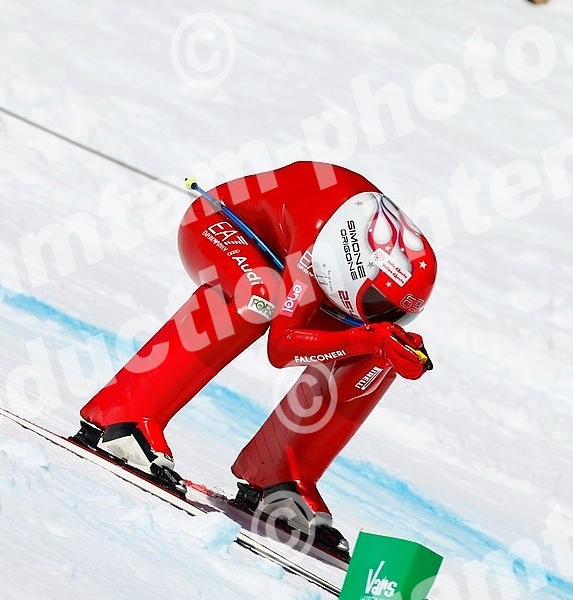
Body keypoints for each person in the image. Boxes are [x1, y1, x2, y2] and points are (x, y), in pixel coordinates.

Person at [75, 161, 437, 552]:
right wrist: (365, 337)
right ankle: (125, 415)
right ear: (355, 267)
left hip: (285, 256)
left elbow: (363, 333)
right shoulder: (320, 241)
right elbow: (280, 349)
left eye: (398, 312)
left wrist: (380, 341)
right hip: (218, 224)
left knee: (383, 350)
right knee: (261, 294)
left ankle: (279, 474)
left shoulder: (349, 253)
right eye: (378, 303)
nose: (383, 316)